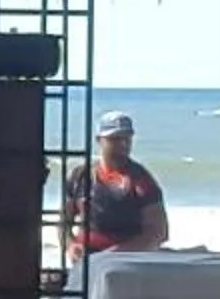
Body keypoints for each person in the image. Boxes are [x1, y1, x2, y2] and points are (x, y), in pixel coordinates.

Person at [62, 111, 168, 261]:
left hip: (126, 263)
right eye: (115, 140)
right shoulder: (80, 176)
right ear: (99, 140)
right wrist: (71, 245)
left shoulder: (141, 179)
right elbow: (63, 222)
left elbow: (158, 232)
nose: (123, 145)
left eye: (127, 139)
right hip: (85, 260)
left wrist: (115, 255)